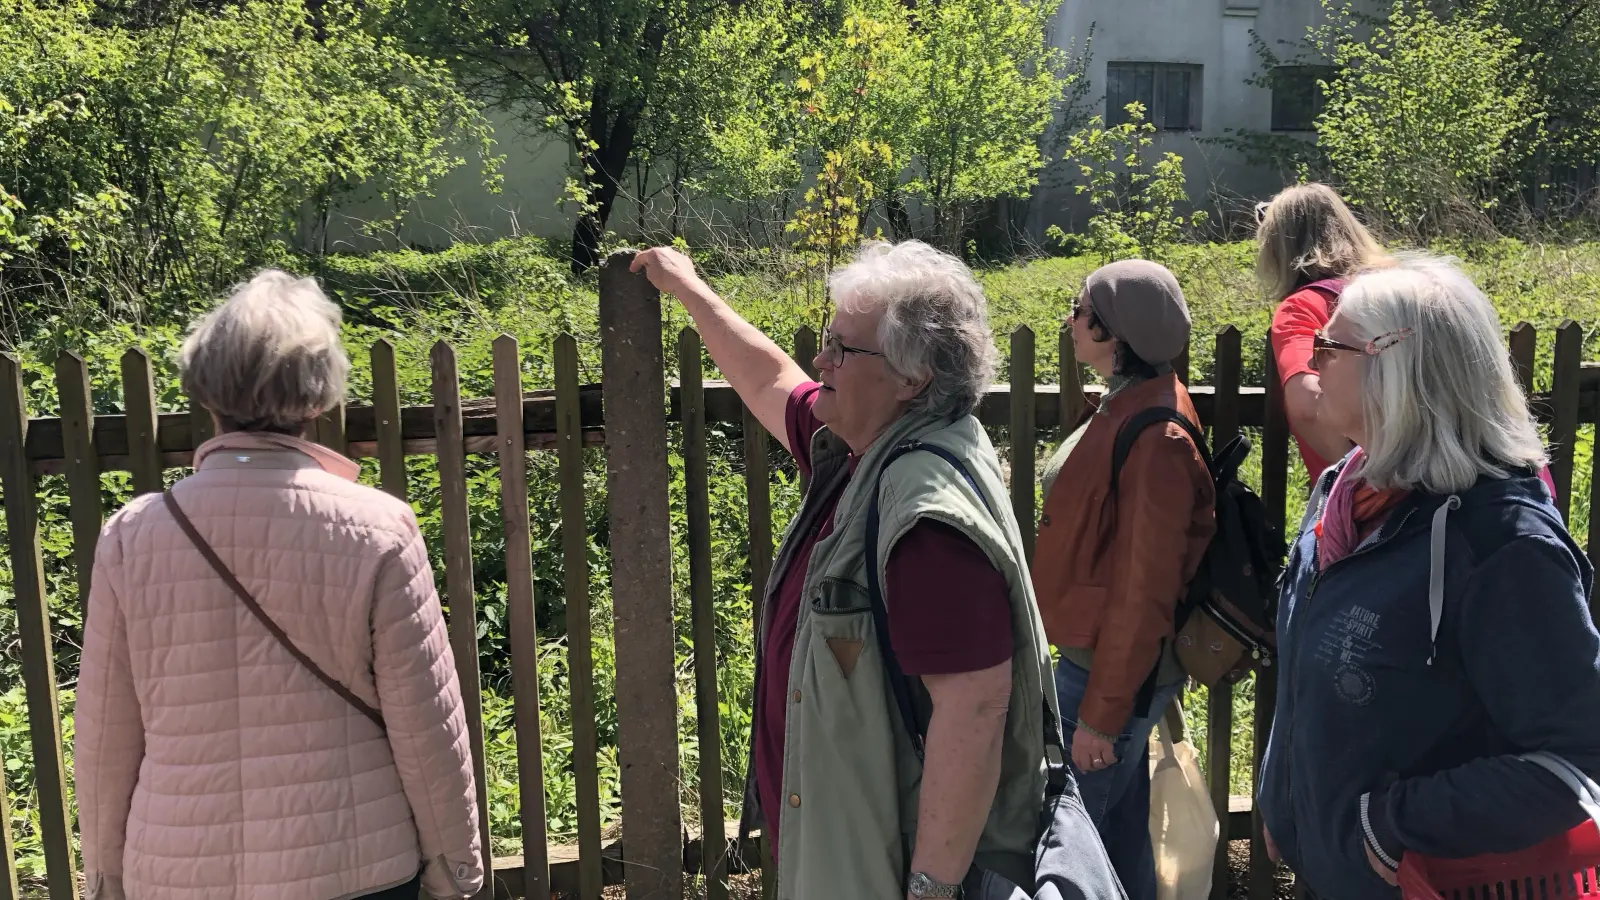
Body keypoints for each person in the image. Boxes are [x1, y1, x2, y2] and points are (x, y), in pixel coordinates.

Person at [631, 242, 1059, 899]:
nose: (820, 360)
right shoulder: (870, 444)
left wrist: (931, 888)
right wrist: (689, 289)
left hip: (882, 869)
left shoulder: (925, 518)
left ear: (911, 378)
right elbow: (769, 379)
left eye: (842, 348)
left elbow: (974, 710)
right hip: (844, 850)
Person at [74, 270, 484, 900]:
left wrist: (104, 875)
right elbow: (426, 723)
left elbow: (105, 729)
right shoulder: (378, 526)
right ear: (318, 400)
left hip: (178, 869)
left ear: (205, 394)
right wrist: (455, 866)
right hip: (352, 868)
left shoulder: (133, 534)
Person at [1257, 257, 1600, 899]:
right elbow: (1316, 670)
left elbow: (1576, 764)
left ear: (1399, 367)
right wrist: (1290, 801)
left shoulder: (1504, 544)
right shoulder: (1343, 493)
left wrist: (1387, 827)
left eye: (1330, 345)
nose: (1310, 359)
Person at [1029, 259, 1217, 900]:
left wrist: (1103, 717)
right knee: (1117, 834)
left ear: (1113, 334)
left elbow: (1144, 592)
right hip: (1098, 663)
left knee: (1071, 843)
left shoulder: (1156, 436)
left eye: (1080, 309)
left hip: (1107, 675)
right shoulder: (1129, 403)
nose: (1069, 319)